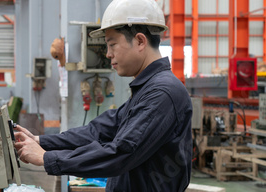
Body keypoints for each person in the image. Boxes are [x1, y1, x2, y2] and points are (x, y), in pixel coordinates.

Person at [14, 0, 192, 191]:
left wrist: (45, 158)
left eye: (112, 44)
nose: (107, 54)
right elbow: (98, 131)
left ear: (140, 41)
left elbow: (121, 153)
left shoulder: (162, 93)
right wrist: (41, 141)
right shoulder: (148, 89)